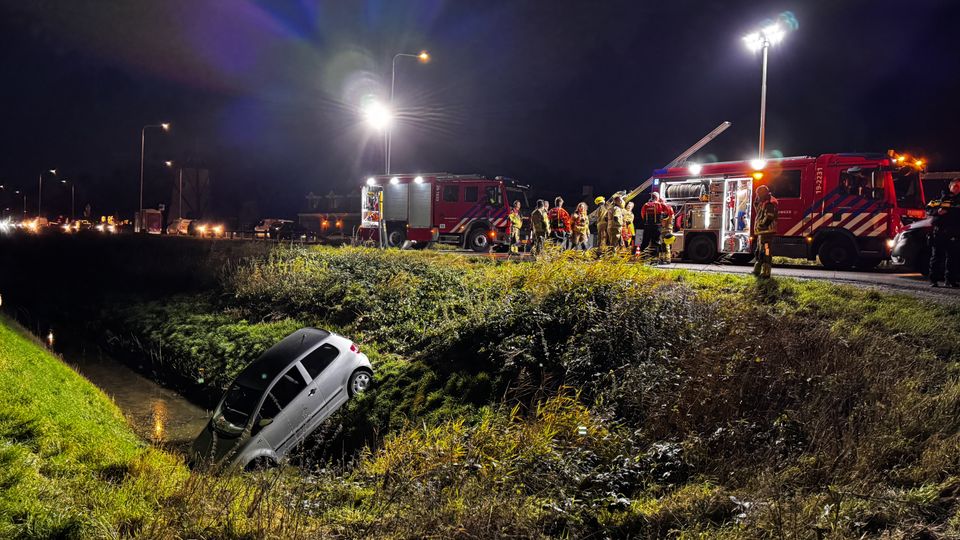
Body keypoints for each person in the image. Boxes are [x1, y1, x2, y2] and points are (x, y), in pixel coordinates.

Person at [928, 178, 960, 287]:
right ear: (950, 186)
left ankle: (951, 281)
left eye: (959, 187)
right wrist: (938, 212)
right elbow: (928, 209)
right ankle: (933, 280)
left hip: (954, 234)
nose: (957, 188)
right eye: (955, 186)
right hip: (939, 233)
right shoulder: (940, 199)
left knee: (953, 259)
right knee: (936, 257)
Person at [752, 185, 779, 279]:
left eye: (758, 194)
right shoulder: (764, 202)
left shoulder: (769, 203)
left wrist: (762, 226)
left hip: (767, 232)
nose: (758, 196)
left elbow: (769, 217)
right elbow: (759, 212)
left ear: (763, 194)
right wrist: (756, 202)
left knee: (766, 252)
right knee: (759, 251)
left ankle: (766, 273)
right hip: (762, 232)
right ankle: (757, 271)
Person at [639, 192, 673, 259]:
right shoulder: (659, 205)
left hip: (647, 226)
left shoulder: (645, 205)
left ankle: (642, 257)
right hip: (657, 226)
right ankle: (655, 258)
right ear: (657, 197)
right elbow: (669, 213)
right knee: (656, 242)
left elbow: (642, 215)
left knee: (645, 241)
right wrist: (663, 220)